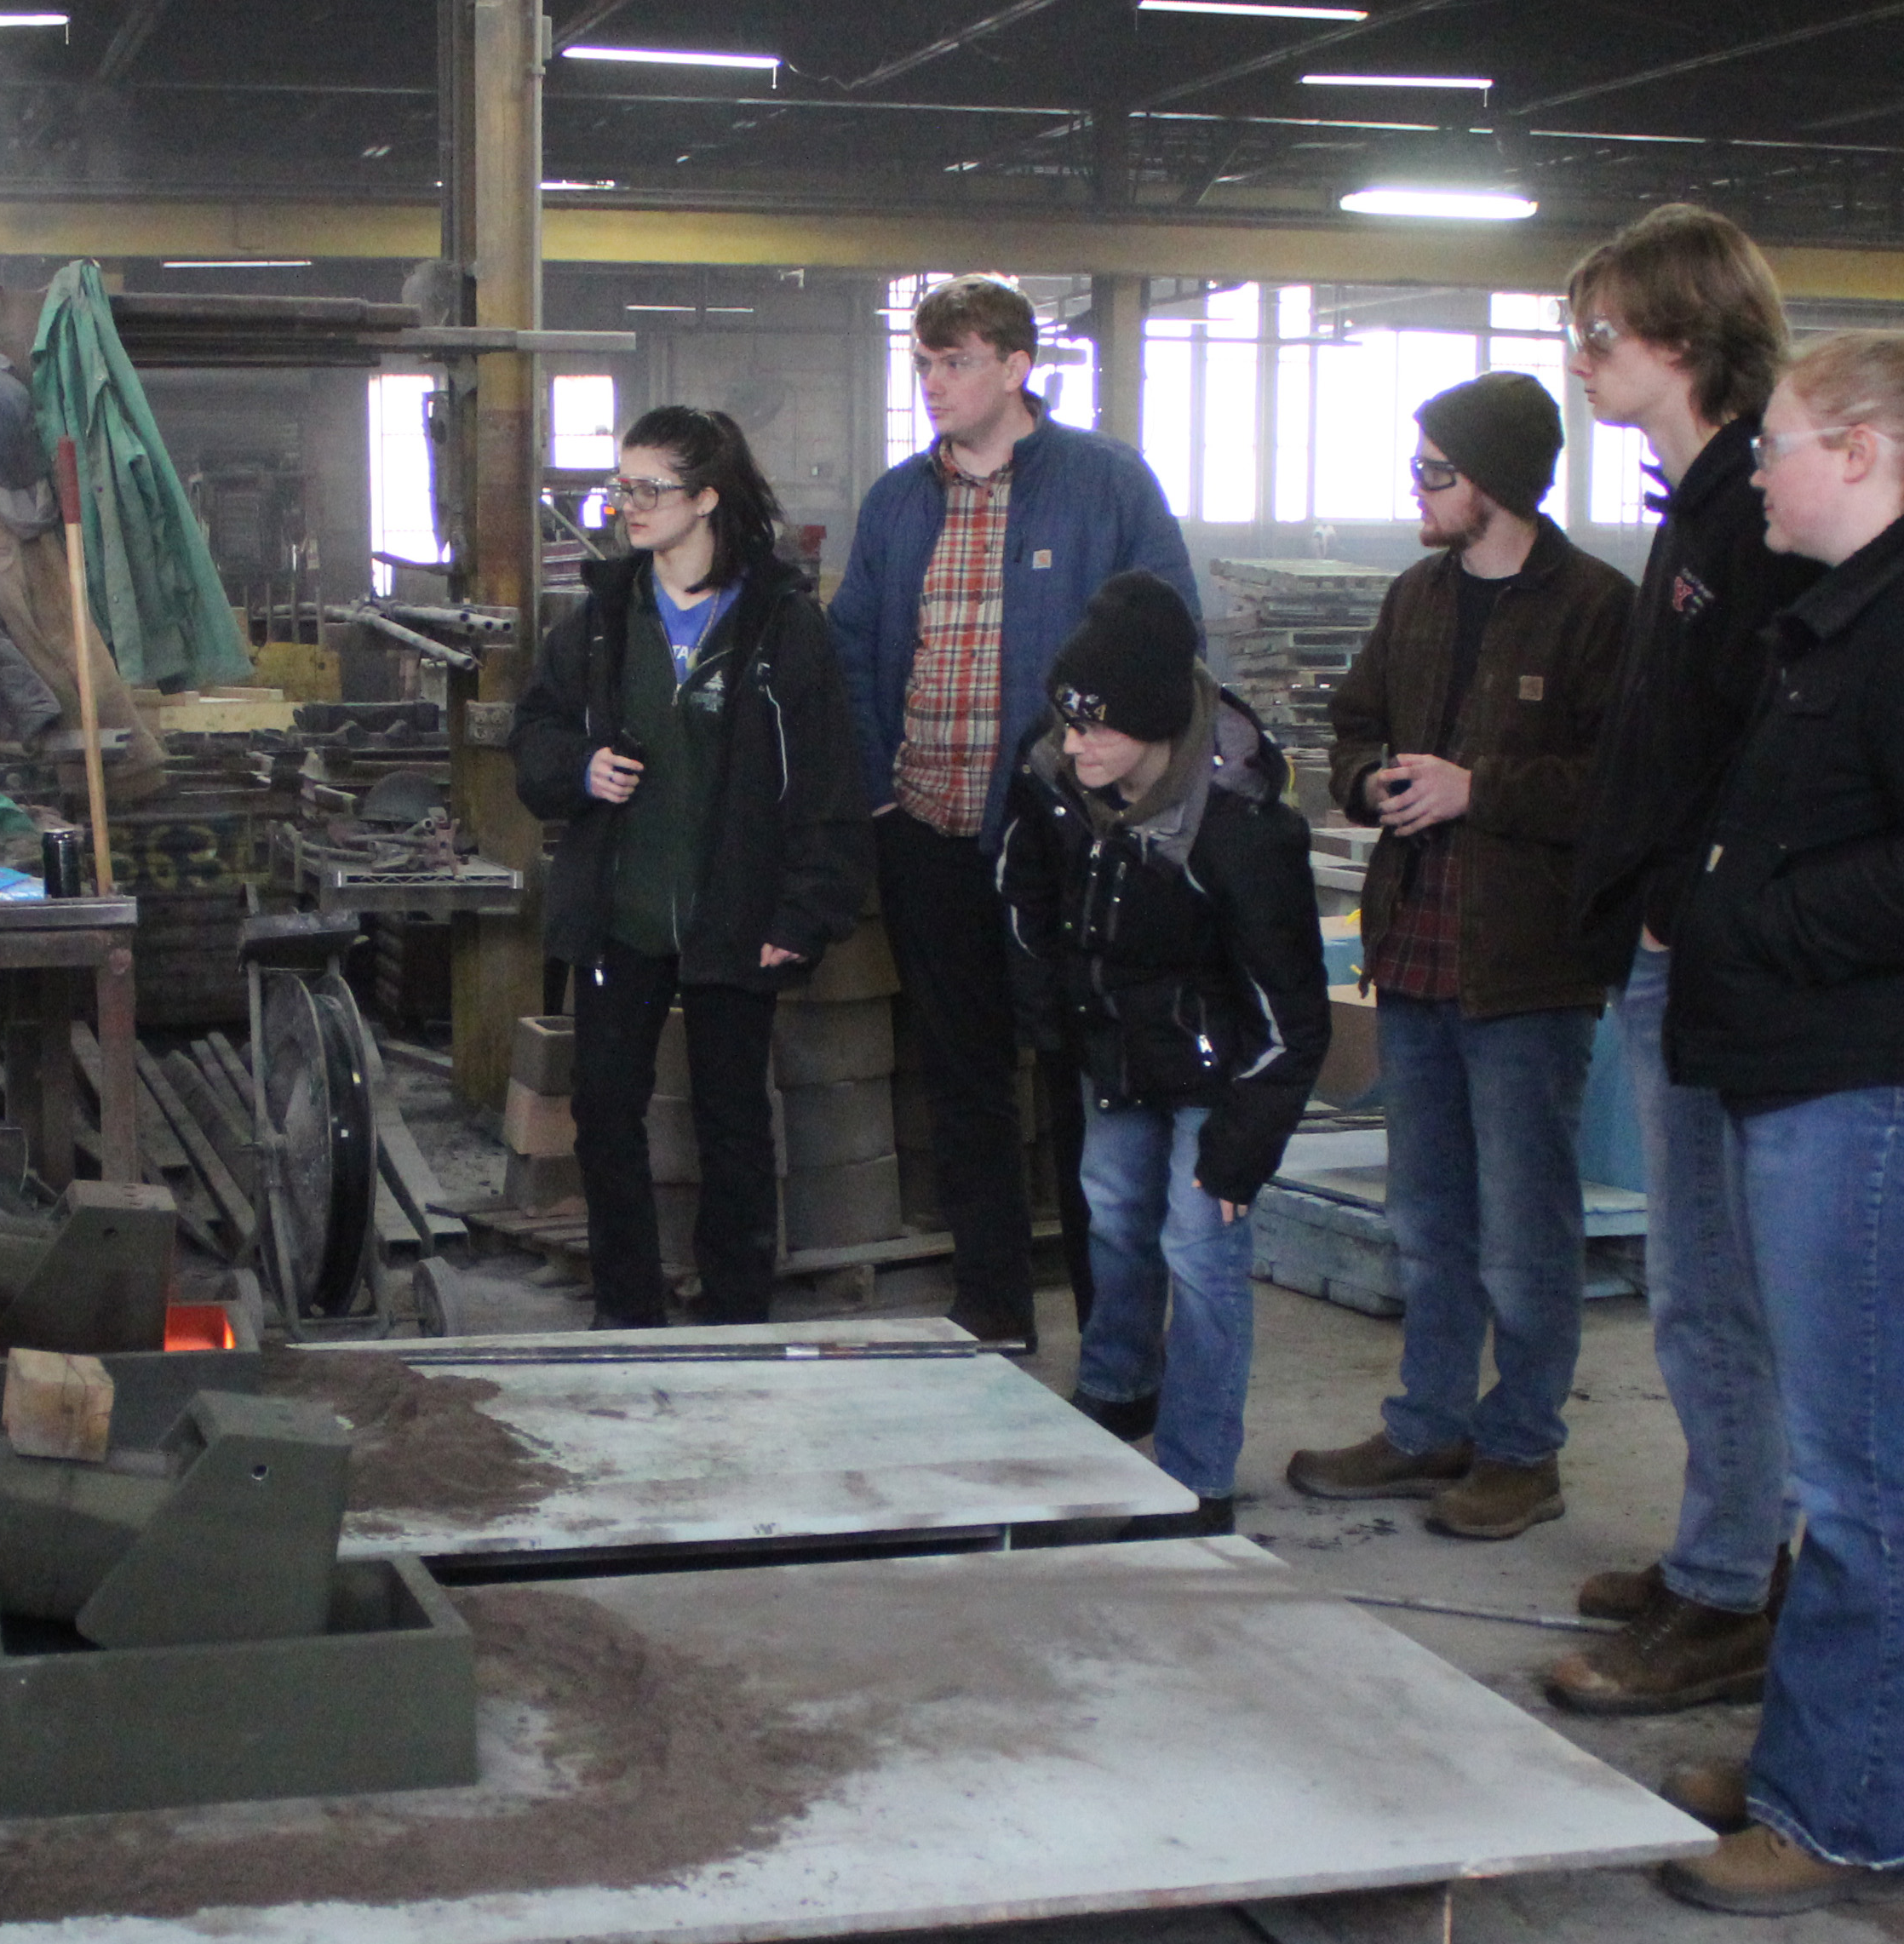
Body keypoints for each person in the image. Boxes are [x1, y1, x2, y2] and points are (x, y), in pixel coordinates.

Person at [1648, 335, 1904, 1913]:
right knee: (1841, 1463)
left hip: (1890, 1089)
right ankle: (1817, 1758)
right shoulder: (1857, 617)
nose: (1756, 467)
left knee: (1859, 1471)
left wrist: (1752, 914)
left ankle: (1862, 1811)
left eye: (1781, 442)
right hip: (1829, 1076)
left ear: (1868, 454)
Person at [1541, 205, 1825, 1720]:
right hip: (1668, 942)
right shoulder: (1698, 503)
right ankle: (1721, 1549)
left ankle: (1732, 1595)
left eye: (1603, 334)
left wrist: (1675, 907)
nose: (1585, 361)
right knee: (1693, 1283)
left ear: (1685, 336)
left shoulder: (1749, 518)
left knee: (1712, 1287)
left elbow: (1772, 757)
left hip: (1704, 959)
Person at [1284, 373, 1630, 1540]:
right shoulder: (1418, 598)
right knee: (1428, 1215)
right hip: (1417, 951)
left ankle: (1522, 1449)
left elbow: (1627, 790)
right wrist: (1368, 777)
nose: (1418, 489)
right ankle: (1429, 1424)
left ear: (1494, 483)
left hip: (1527, 970)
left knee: (1527, 1228)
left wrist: (1481, 789)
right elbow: (1349, 724)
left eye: (1435, 471)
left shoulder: (1595, 611)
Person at [829, 276, 1201, 1347]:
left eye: (955, 363)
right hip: (930, 834)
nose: (934, 385)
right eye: (924, 365)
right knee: (963, 1080)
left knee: (1091, 1081)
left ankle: (1115, 1332)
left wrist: (1114, 798)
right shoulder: (899, 501)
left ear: (1015, 368)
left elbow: (1167, 636)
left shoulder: (1103, 485)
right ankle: (991, 1309)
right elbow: (854, 646)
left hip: (1066, 848)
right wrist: (876, 796)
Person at [516, 406, 869, 1326]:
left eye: (647, 489)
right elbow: (536, 735)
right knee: (603, 1111)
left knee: (732, 1123)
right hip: (619, 912)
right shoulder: (601, 620)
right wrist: (578, 769)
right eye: (619, 486)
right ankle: (627, 1308)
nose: (625, 506)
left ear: (706, 498)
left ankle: (734, 1310)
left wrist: (801, 917)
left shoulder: (778, 628)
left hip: (732, 914)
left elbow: (826, 779)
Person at [999, 574, 1327, 1534]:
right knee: (1111, 1219)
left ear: (1153, 727)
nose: (1073, 744)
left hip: (1218, 1071)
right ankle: (1114, 1393)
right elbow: (1021, 898)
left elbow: (1289, 1020)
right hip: (1116, 1053)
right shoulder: (1059, 779)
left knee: (1199, 1247)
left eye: (1096, 729)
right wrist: (1054, 1025)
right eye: (1066, 723)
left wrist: (1238, 1151)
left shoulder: (1237, 830)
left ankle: (1195, 1475)